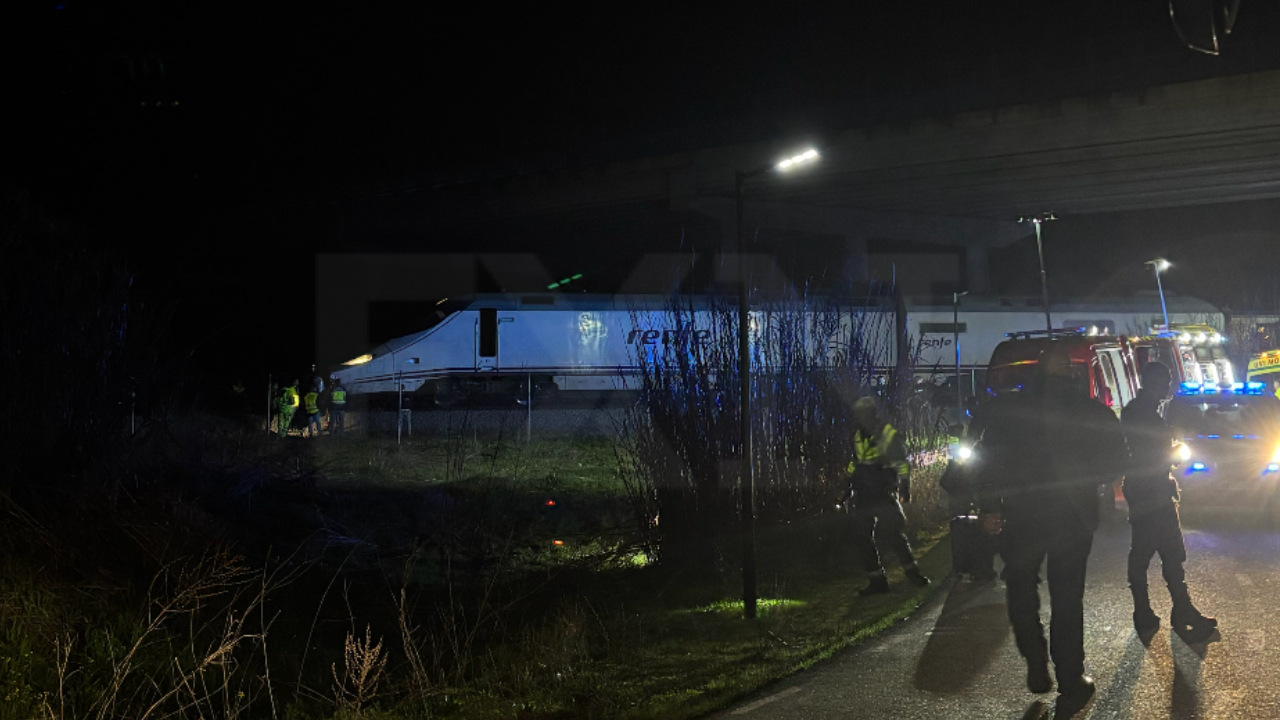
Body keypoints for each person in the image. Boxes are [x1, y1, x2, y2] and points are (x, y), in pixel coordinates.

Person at [978, 345, 1128, 704]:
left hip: (1022, 515)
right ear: (1071, 373)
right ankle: (1071, 676)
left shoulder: (1009, 411)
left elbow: (989, 463)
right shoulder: (1090, 411)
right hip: (1072, 516)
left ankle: (1034, 658)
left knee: (1020, 588)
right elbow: (1117, 461)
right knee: (1067, 598)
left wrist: (989, 508)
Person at [1121, 361, 1217, 640]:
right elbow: (1151, 453)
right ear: (1153, 383)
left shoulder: (1140, 411)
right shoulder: (1142, 414)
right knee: (1167, 553)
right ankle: (1177, 612)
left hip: (1146, 490)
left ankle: (1153, 611)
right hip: (1152, 491)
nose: (1168, 387)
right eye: (1166, 382)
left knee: (1154, 553)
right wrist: (1175, 451)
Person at [847, 397, 930, 595]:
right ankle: (877, 582)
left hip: (883, 491)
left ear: (872, 413)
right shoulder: (858, 435)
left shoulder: (888, 433)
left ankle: (913, 574)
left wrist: (904, 487)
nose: (861, 418)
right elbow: (855, 462)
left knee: (893, 533)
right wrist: (847, 484)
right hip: (864, 492)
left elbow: (901, 463)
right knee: (861, 537)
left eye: (864, 414)